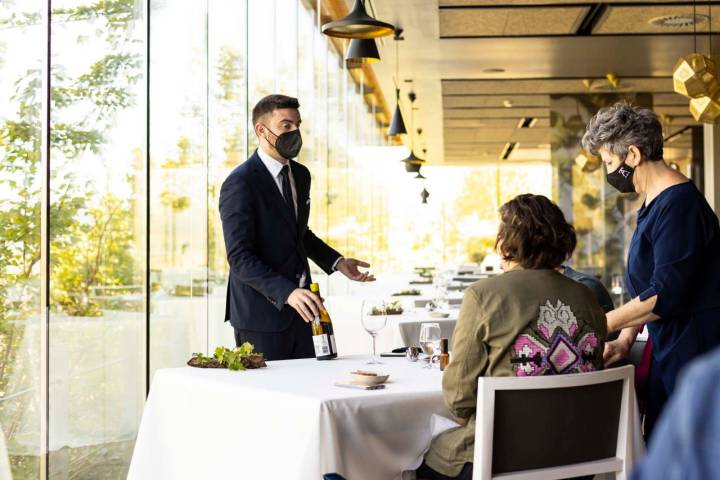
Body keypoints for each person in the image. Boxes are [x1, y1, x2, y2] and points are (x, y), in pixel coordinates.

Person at [418, 194, 607, 480]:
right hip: (579, 459)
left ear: (507, 241)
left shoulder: (483, 296)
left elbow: (459, 398)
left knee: (419, 456)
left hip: (500, 460)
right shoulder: (587, 297)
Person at [582, 102, 720, 439]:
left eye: (609, 162)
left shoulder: (679, 206)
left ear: (632, 155)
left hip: (693, 354)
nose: (608, 172)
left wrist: (601, 325)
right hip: (669, 349)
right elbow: (653, 283)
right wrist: (626, 338)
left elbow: (665, 294)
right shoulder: (653, 202)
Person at [219, 94, 374, 361]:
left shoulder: (300, 175)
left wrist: (337, 262)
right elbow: (240, 258)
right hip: (261, 317)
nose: (295, 132)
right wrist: (287, 292)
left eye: (298, 125)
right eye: (286, 125)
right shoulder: (240, 183)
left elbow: (298, 233)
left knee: (313, 384)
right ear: (261, 130)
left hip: (305, 312)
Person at [630, 347, 720, 480]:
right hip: (663, 349)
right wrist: (626, 338)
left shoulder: (704, 383)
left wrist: (608, 328)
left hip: (685, 347)